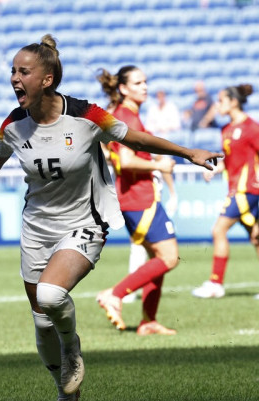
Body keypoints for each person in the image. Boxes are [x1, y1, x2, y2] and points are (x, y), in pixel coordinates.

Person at [0, 35, 220, 401]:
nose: (14, 78)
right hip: (36, 228)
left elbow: (133, 137)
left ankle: (73, 350)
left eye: (23, 71)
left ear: (47, 79)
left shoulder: (87, 116)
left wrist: (189, 153)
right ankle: (65, 397)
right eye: (12, 71)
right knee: (40, 321)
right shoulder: (14, 125)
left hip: (84, 223)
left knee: (51, 296)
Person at [93, 65, 181, 336]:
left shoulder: (126, 115)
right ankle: (114, 294)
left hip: (137, 196)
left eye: (146, 81)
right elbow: (127, 161)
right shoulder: (126, 117)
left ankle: (148, 321)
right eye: (138, 82)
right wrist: (160, 166)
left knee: (158, 257)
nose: (145, 87)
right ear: (123, 88)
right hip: (138, 197)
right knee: (169, 257)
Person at [191, 83, 259, 300]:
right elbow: (231, 162)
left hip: (246, 189)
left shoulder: (252, 127)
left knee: (218, 230)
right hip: (237, 188)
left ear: (233, 102)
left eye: (221, 101)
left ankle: (216, 283)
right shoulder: (225, 130)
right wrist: (214, 171)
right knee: (256, 237)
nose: (218, 105)